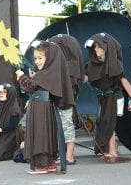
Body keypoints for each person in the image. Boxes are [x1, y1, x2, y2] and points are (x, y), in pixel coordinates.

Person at [16, 41, 74, 174]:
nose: (37, 61)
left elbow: (30, 86)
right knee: (47, 135)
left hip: (41, 109)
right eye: (35, 58)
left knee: (40, 135)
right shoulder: (48, 73)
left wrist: (21, 77)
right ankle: (49, 163)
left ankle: (41, 165)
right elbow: (36, 86)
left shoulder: (46, 73)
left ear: (50, 58)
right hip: (44, 108)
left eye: (40, 58)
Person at [84, 33, 131, 158]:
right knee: (103, 122)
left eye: (98, 47)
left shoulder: (115, 64)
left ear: (106, 47)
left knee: (110, 122)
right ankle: (110, 148)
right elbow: (85, 77)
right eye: (94, 47)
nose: (95, 50)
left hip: (115, 96)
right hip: (103, 98)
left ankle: (112, 151)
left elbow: (123, 80)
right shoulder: (91, 64)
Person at [47, 34, 85, 165]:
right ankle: (64, 155)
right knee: (62, 126)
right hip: (60, 101)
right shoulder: (61, 65)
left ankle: (69, 156)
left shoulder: (69, 67)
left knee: (67, 126)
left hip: (65, 102)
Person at [0, 83, 22, 161]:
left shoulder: (14, 106)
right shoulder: (0, 105)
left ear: (10, 94)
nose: (1, 94)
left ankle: (13, 150)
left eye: (4, 92)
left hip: (11, 135)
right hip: (1, 134)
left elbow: (13, 125)